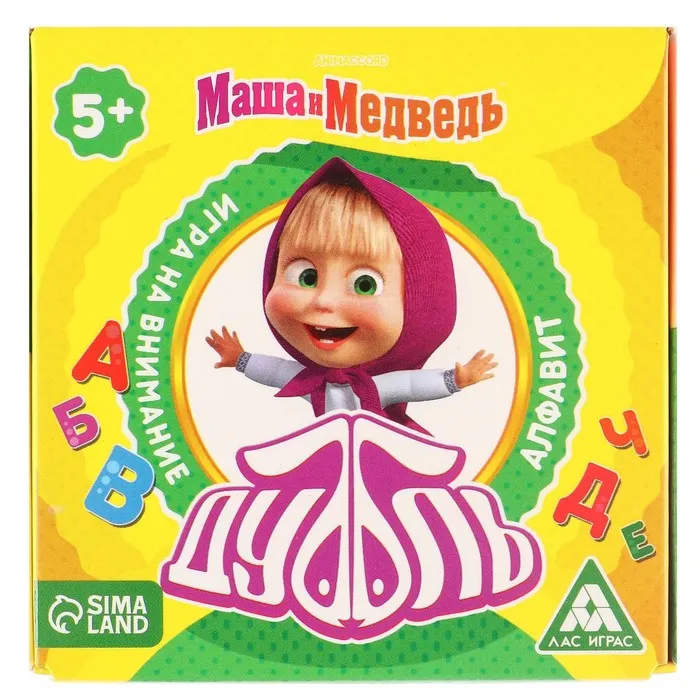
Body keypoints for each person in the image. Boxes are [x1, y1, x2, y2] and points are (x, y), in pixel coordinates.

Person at [206, 157, 496, 434]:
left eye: (364, 285)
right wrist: (241, 359)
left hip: (378, 446)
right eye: (306, 277)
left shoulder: (376, 388)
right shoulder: (311, 383)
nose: (324, 301)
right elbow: (276, 371)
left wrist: (455, 380)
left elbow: (410, 384)